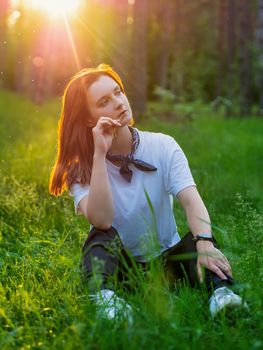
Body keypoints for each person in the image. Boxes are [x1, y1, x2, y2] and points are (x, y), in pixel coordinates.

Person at [49, 64, 246, 322]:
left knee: (198, 240)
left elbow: (190, 200)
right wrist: (99, 155)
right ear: (88, 118)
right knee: (99, 239)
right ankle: (107, 302)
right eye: (104, 101)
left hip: (167, 266)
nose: (119, 103)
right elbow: (102, 220)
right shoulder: (81, 167)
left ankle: (221, 295)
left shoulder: (163, 145)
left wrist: (205, 243)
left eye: (118, 92)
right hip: (122, 270)